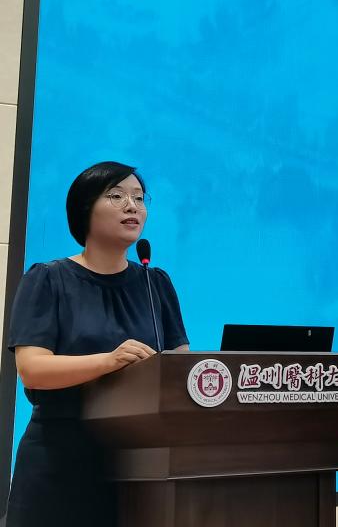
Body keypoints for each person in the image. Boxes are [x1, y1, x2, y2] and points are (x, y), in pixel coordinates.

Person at [5, 161, 189, 527]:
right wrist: (110, 360)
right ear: (84, 208)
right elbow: (32, 370)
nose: (132, 206)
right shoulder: (49, 279)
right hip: (59, 459)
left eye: (139, 198)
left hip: (138, 462)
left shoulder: (155, 283)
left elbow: (179, 370)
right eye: (116, 196)